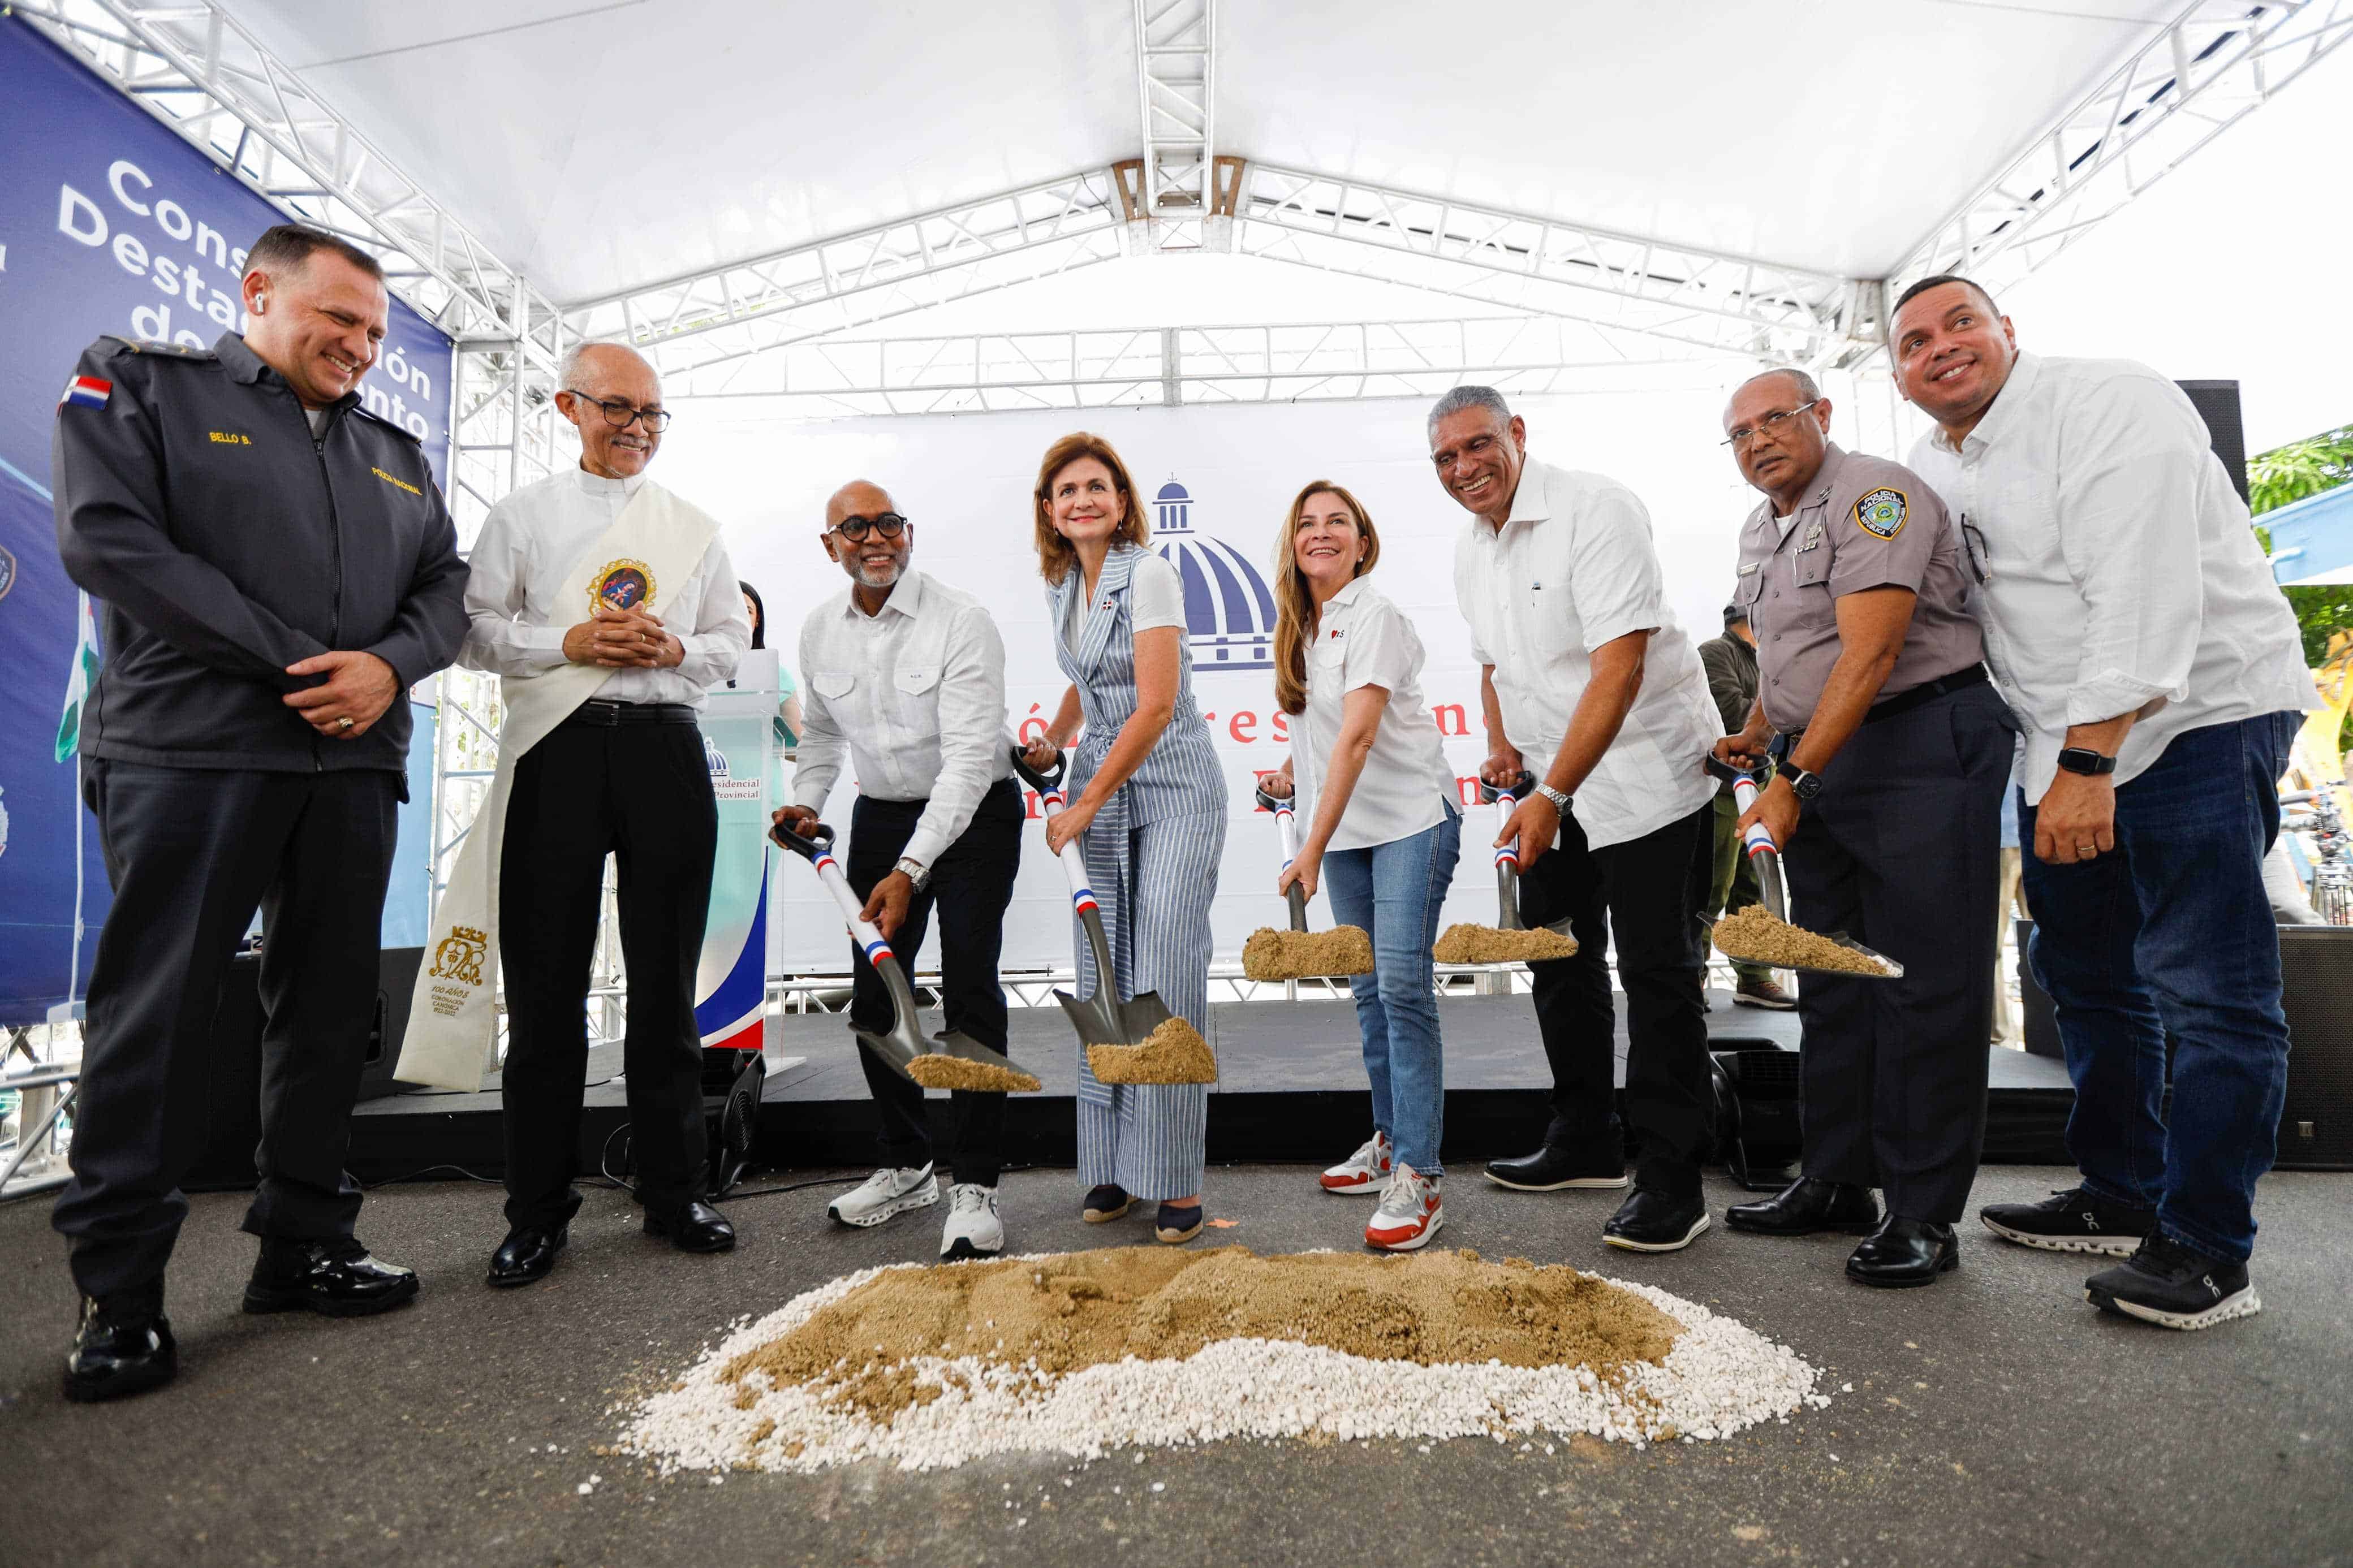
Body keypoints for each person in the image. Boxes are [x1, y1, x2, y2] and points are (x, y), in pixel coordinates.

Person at [49, 223, 468, 1402]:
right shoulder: (141, 386)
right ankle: (119, 1291)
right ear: (259, 295)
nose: (361, 348)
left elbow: (446, 588)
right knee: (161, 1019)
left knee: (329, 1015)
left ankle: (305, 1244)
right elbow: (108, 540)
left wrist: (386, 668)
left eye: (377, 332)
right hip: (194, 754)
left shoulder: (394, 452)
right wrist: (304, 665)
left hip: (348, 766)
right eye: (340, 320)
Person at [1894, 274, 2316, 1329]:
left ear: (2008, 331)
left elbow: (2142, 587)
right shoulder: (1932, 465)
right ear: (1898, 375)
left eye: (1960, 324)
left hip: (2196, 718)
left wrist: (2090, 765)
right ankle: (2122, 1192)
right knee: (2082, 970)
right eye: (1912, 342)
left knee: (2209, 989)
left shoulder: (2108, 401)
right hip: (2063, 745)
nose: (1940, 348)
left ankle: (2210, 1249)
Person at [1711, 367, 2015, 1288]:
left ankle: (1923, 1211)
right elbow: (1784, 648)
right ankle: (1839, 1178)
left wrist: (1796, 775)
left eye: (1776, 419)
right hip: (1824, 753)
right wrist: (1761, 734)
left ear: (1822, 416)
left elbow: (1873, 649)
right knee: (1834, 980)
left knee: (1922, 983)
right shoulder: (1763, 526)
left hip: (1917, 740)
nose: (1759, 440)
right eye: (1740, 432)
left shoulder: (1874, 494)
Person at [458, 340, 749, 1288]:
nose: (639, 428)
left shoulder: (693, 526)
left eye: (655, 414)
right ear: (568, 406)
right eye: (619, 408)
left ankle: (674, 1187)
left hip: (665, 747)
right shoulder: (522, 514)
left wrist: (671, 648)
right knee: (547, 990)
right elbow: (475, 632)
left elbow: (727, 642)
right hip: (560, 747)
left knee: (667, 984)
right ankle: (537, 1210)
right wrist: (570, 638)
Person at [1431, 385, 1721, 1253]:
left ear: (1517, 435)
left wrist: (1549, 795)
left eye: (1479, 445)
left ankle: (1673, 1183)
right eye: (1446, 458)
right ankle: (1587, 1137)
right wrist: (1502, 748)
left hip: (1645, 780)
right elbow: (1494, 664)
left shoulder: (1597, 509)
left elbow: (1619, 667)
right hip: (1550, 790)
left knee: (1660, 976)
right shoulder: (1468, 549)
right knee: (1559, 960)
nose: (1465, 468)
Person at [773, 482, 1023, 1260]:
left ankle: (975, 1183)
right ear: (831, 544)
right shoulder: (819, 632)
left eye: (888, 524)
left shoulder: (962, 621)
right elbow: (819, 743)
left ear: (908, 534)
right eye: (855, 527)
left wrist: (913, 867)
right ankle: (909, 1162)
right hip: (882, 813)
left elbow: (970, 761)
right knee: (876, 996)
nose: (874, 538)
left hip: (976, 810)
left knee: (971, 988)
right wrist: (806, 804)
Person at [1020, 433, 1226, 1245]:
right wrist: (1053, 737)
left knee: (1167, 971)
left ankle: (1173, 1179)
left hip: (1172, 786)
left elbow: (1152, 706)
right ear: (1049, 510)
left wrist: (1081, 800)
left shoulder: (1152, 572)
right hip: (1100, 784)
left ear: (1123, 497)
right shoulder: (1063, 581)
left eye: (1097, 487)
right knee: (1110, 970)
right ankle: (1112, 1163)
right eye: (1067, 490)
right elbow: (1085, 678)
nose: (1083, 501)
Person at [1259, 482, 1463, 1251]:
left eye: (1336, 522)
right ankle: (1389, 1142)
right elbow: (1325, 731)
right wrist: (1290, 770)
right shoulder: (1302, 625)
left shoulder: (1373, 616)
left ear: (1362, 542)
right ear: (1295, 543)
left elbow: (1360, 739)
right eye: (1306, 523)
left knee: (1405, 989)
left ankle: (1422, 1175)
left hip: (1412, 821)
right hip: (1350, 832)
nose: (1321, 533)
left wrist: (1308, 845)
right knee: (1372, 991)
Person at [1696, 606, 1792, 1009]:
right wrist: (1779, 705)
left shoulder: (1766, 657)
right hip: (1722, 791)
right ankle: (1691, 974)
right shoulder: (1716, 652)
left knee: (1752, 889)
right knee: (1713, 886)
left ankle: (1754, 977)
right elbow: (1735, 716)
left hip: (1761, 787)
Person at [736, 580, 805, 750]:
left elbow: (798, 747)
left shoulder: (776, 674)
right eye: (731, 610)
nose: (739, 619)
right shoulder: (695, 669)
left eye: (747, 611)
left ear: (757, 620)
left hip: (762, 775)